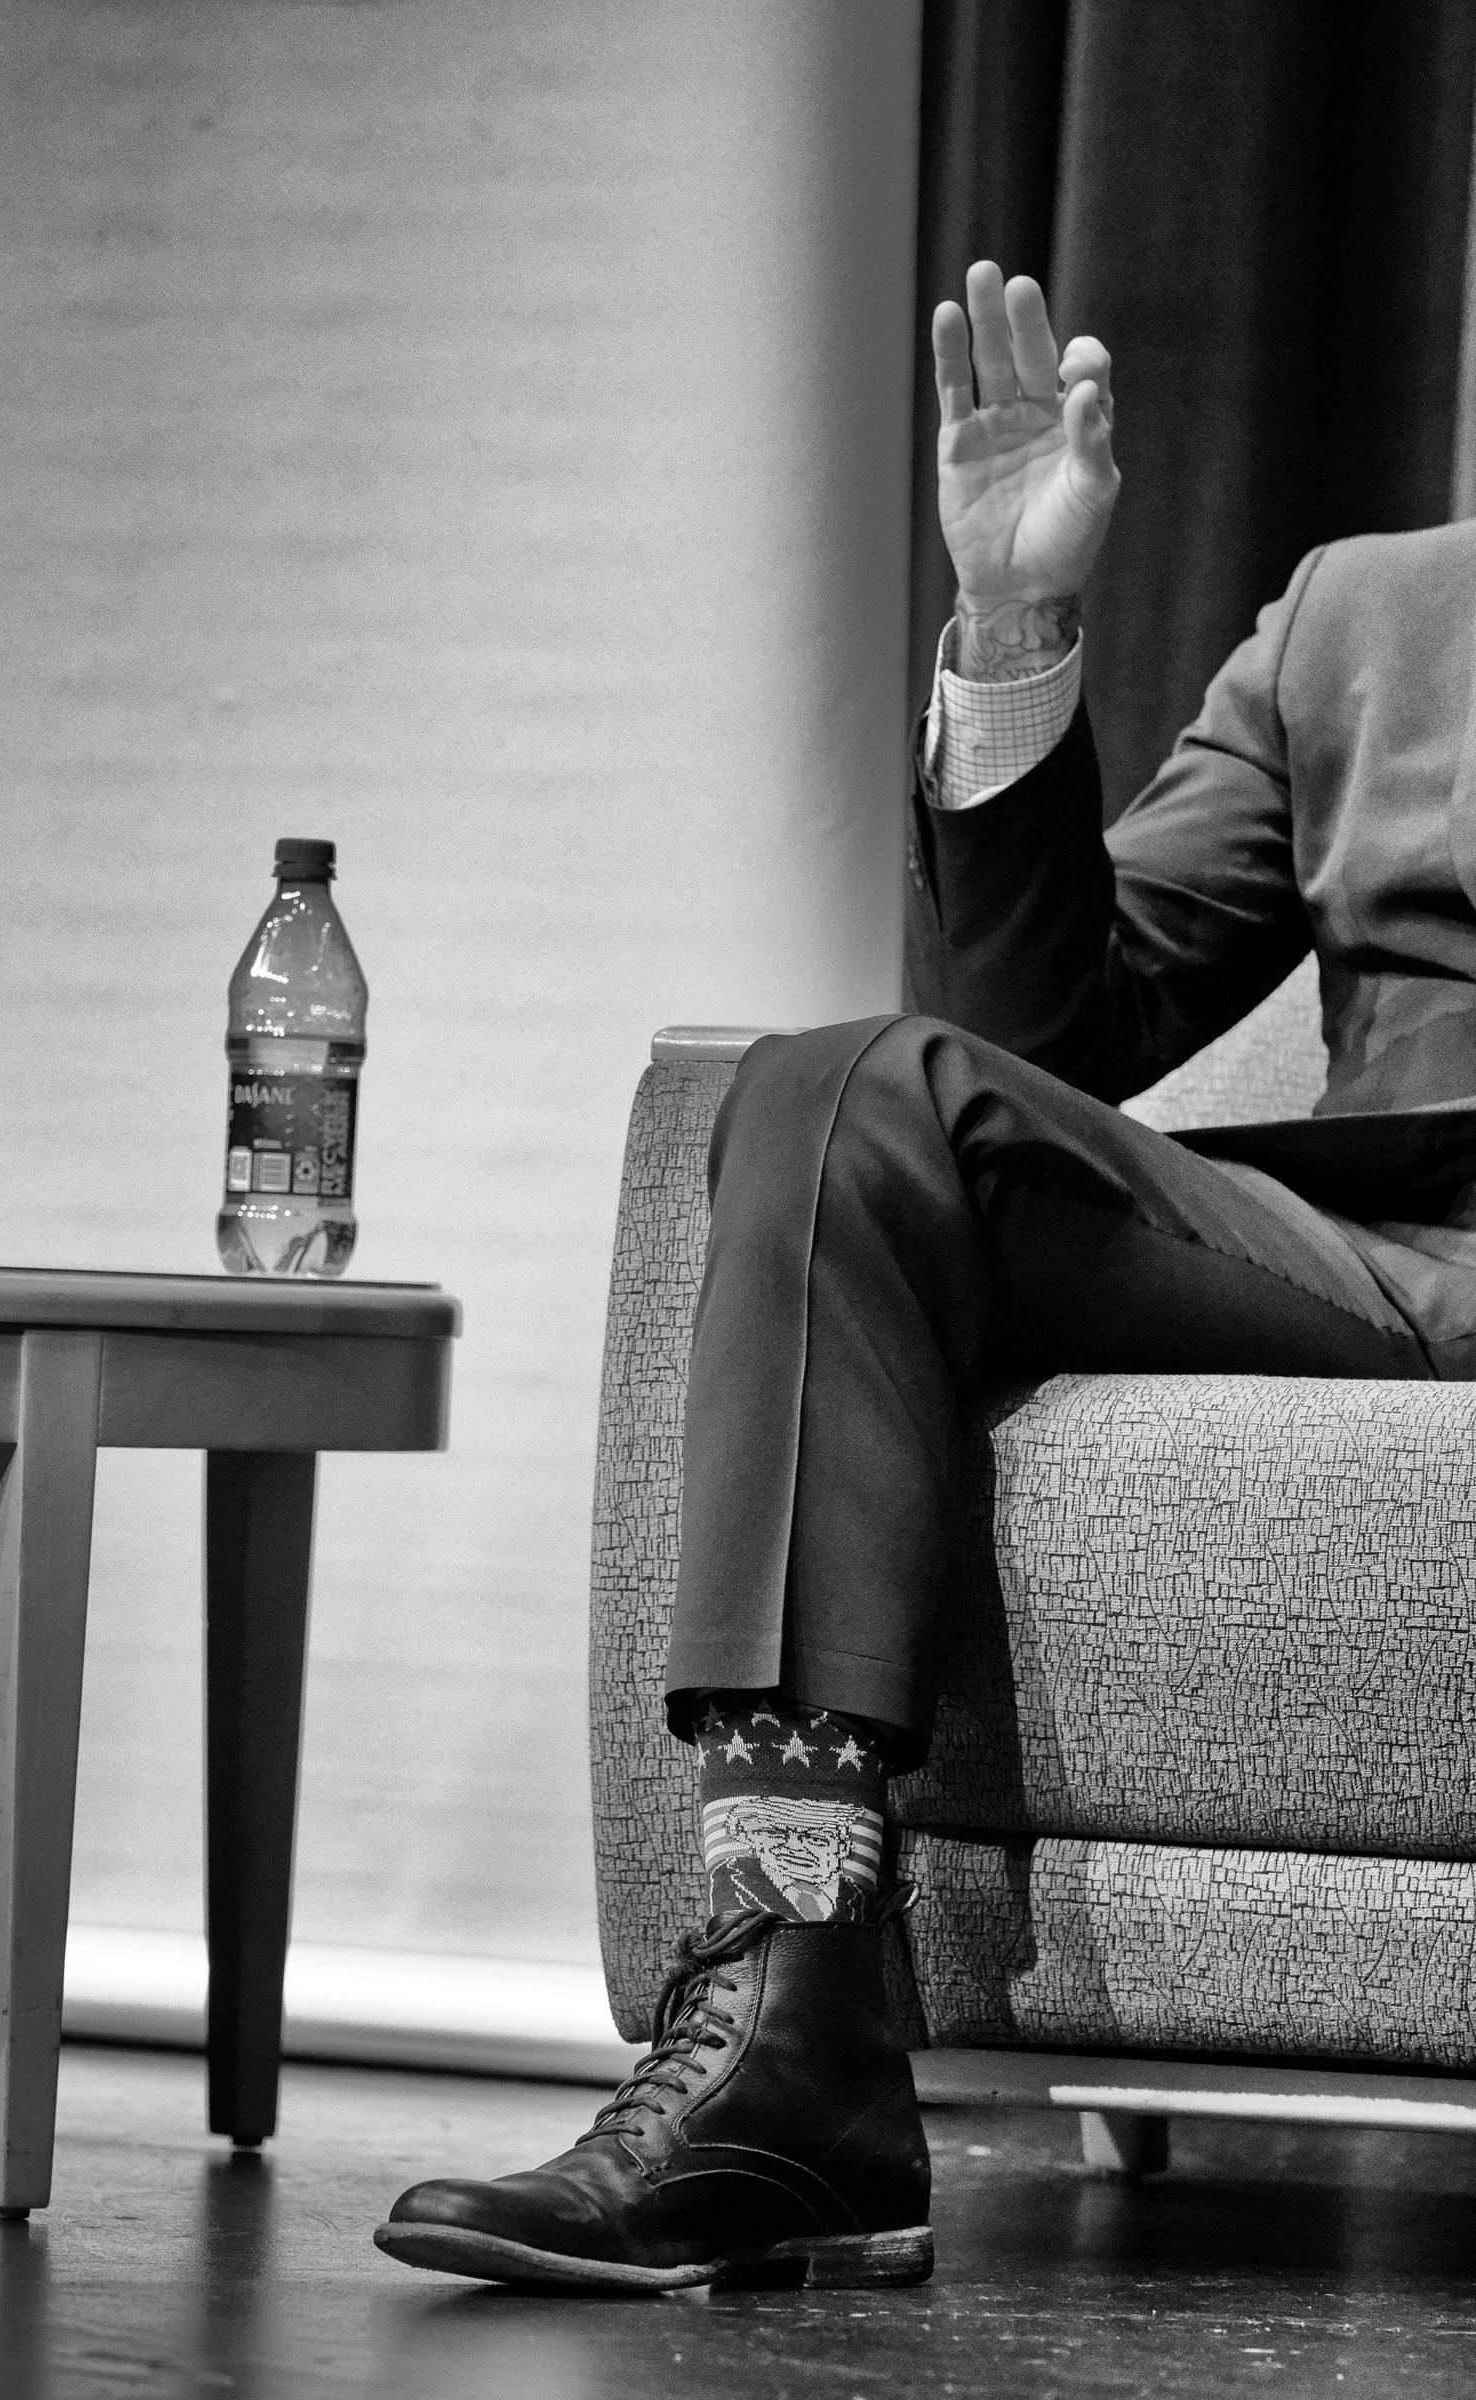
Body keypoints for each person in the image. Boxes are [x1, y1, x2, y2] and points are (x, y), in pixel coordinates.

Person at [375, 260, 1476, 2291]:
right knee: (843, 1089)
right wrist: (1010, 623)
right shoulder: (1364, 611)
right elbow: (1043, 1025)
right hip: (1385, 1261)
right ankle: (786, 2034)